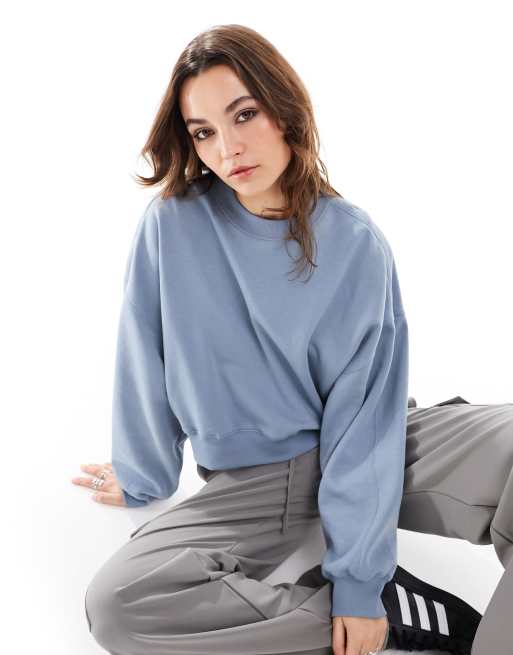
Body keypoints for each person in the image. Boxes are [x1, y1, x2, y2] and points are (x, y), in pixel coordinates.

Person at [71, 23, 512, 655]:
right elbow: (144, 354)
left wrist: (358, 572)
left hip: (372, 437)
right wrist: (143, 474)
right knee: (122, 606)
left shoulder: (353, 242)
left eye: (243, 114)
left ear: (283, 110)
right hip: (264, 481)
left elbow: (365, 416)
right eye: (203, 132)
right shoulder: (173, 226)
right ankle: (372, 612)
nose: (229, 148)